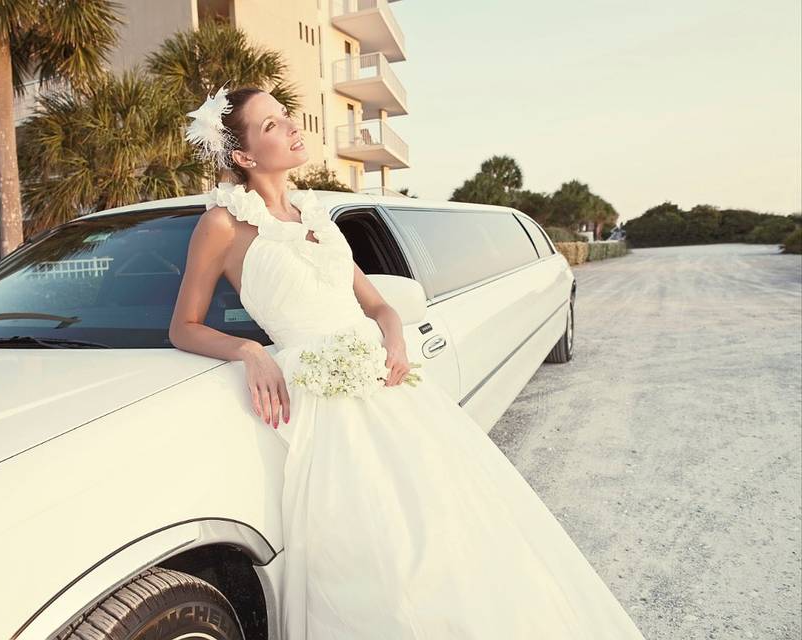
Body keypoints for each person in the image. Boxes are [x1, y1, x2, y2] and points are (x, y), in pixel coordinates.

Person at [170, 84, 649, 639]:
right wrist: (249, 349)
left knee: (450, 534)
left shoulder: (318, 213)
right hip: (323, 409)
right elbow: (184, 326)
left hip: (388, 389)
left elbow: (375, 303)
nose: (292, 125)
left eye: (285, 115)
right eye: (273, 125)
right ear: (244, 156)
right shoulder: (222, 225)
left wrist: (394, 339)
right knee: (375, 554)